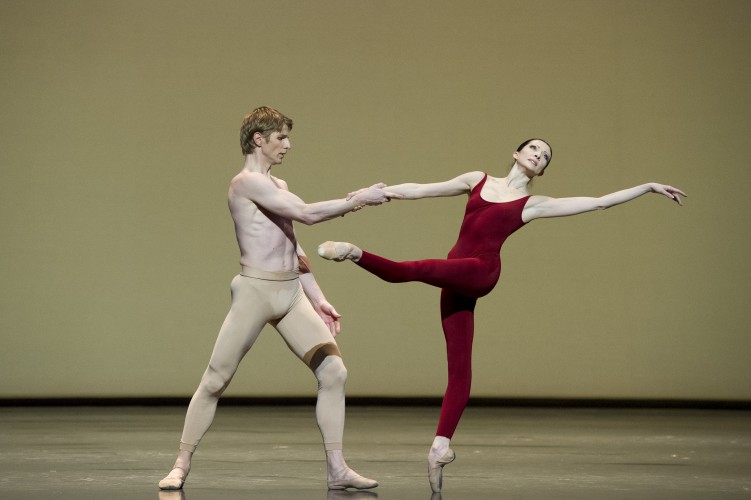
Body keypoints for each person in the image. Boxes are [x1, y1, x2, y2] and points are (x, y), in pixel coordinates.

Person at [317, 138, 686, 493]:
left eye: (545, 156)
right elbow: (422, 188)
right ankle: (440, 447)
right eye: (534, 148)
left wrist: (648, 186)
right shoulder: (476, 180)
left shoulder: (532, 203)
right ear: (516, 153)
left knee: (413, 269)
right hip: (456, 273)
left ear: (541, 171)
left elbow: (598, 202)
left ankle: (354, 252)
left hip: (480, 271)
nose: (539, 155)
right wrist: (381, 191)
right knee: (459, 368)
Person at [159, 106, 391, 491]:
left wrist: (317, 298)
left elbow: (293, 244)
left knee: (334, 372)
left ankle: (337, 468)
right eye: (281, 137)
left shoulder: (278, 186)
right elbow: (306, 215)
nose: (288, 144)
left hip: (290, 293)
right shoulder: (245, 183)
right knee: (216, 379)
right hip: (256, 291)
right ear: (258, 139)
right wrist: (359, 199)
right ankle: (180, 464)